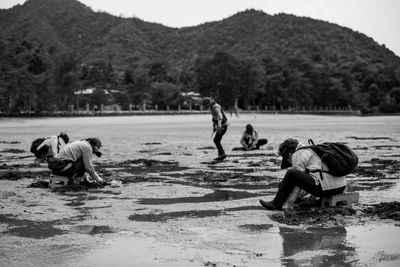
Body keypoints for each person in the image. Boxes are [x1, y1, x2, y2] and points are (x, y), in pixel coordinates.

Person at [259, 138, 347, 210]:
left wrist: (289, 203)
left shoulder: (298, 154)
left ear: (289, 154)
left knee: (291, 173)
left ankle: (276, 204)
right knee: (294, 175)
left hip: (326, 188)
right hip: (340, 187)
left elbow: (297, 183)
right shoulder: (311, 149)